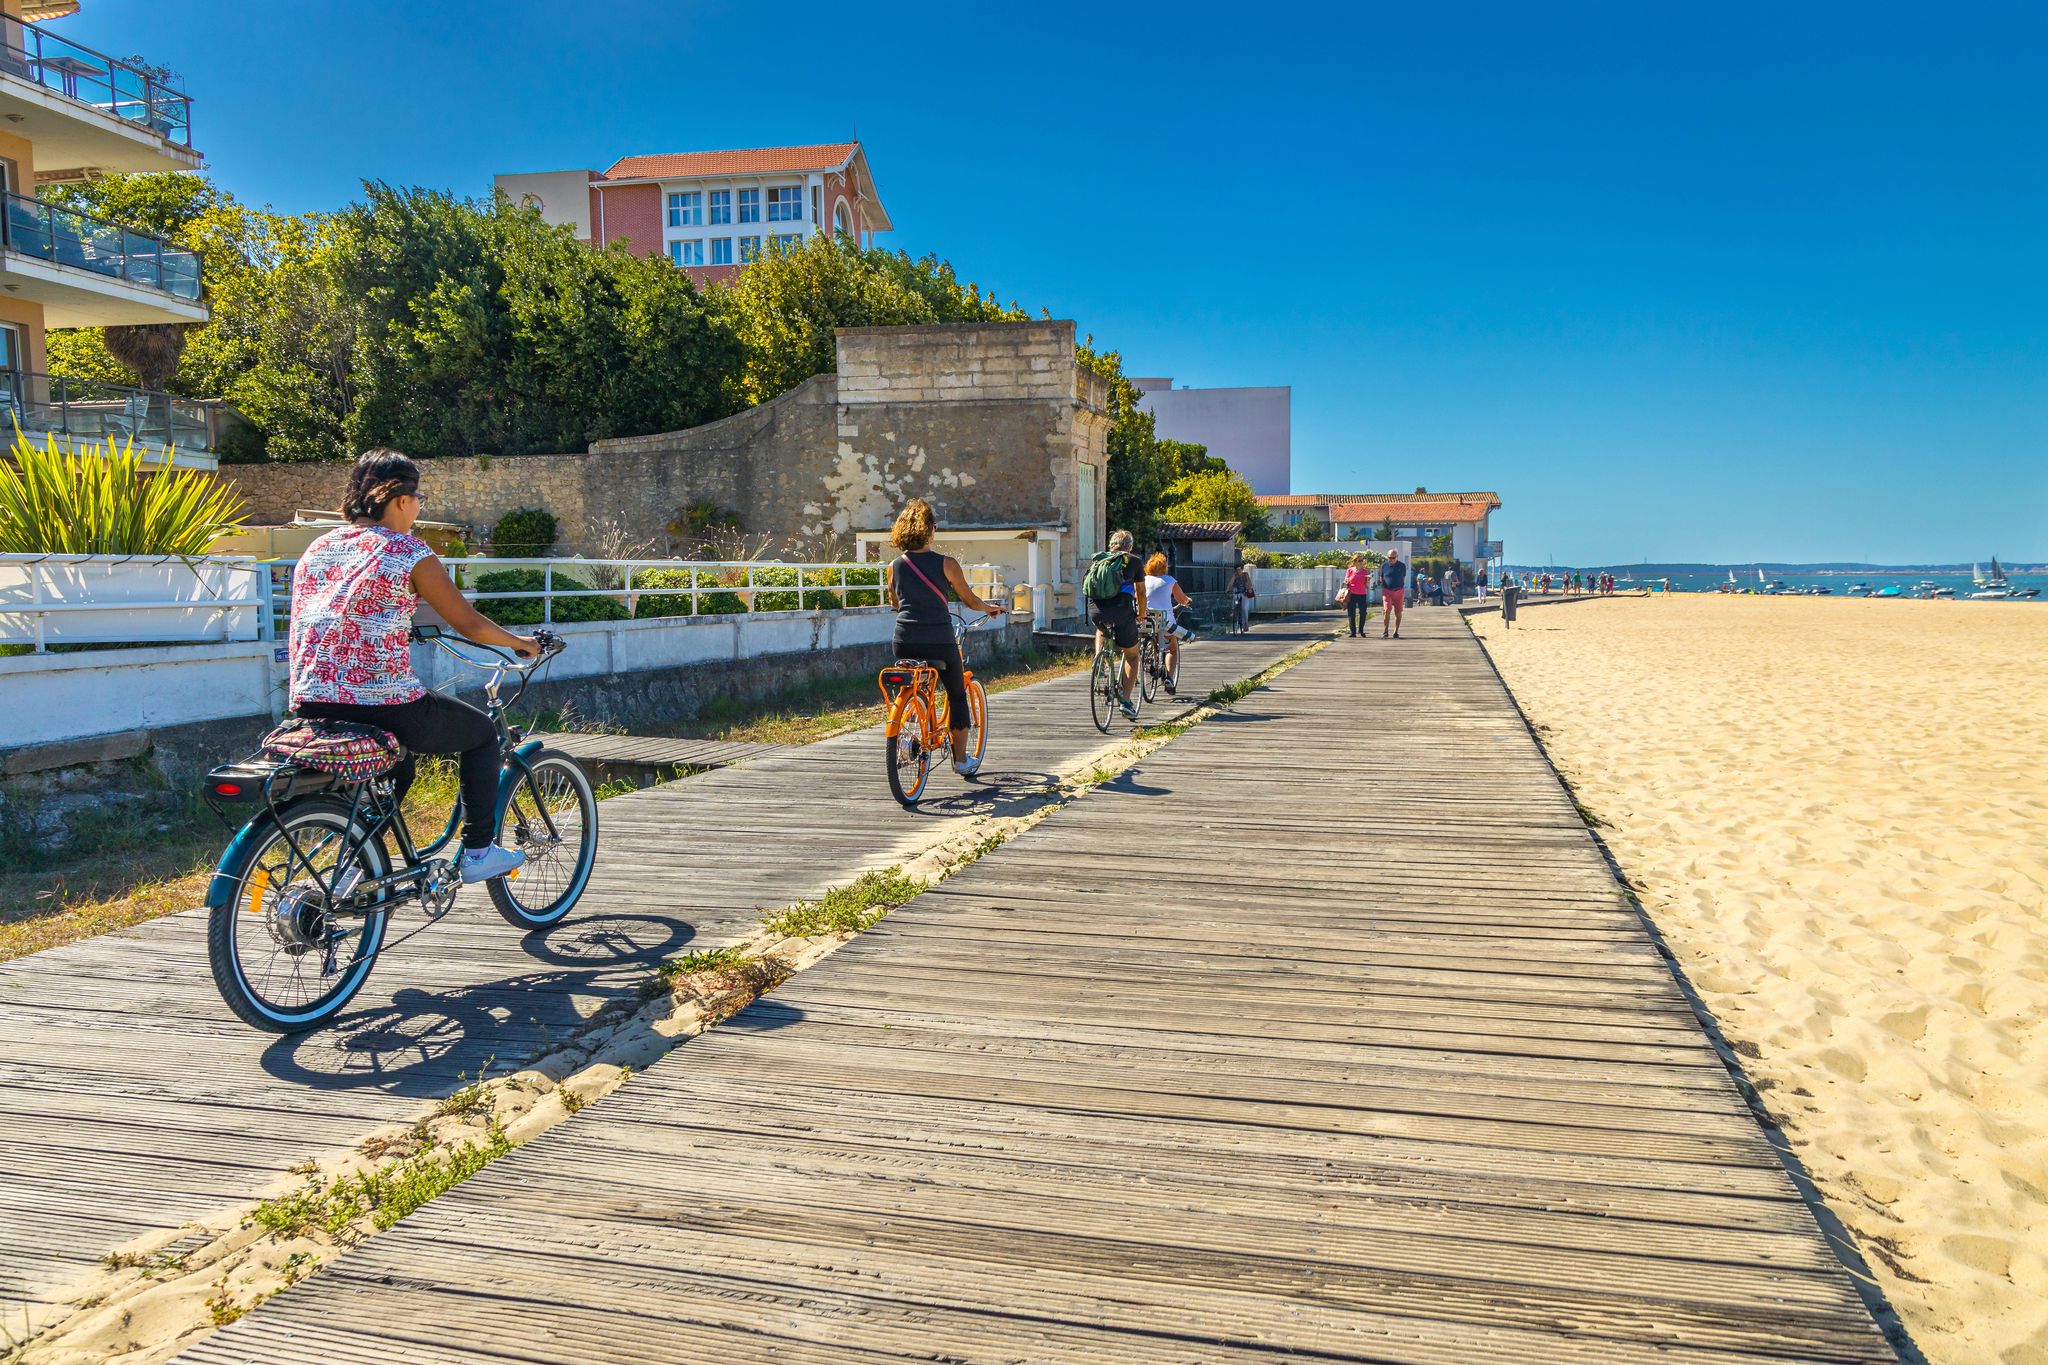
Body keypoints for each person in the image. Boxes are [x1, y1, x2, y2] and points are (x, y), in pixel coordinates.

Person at [289, 450, 538, 884]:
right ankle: (478, 851)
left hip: (310, 698)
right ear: (400, 499)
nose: (420, 506)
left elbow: (345, 611)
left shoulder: (319, 547)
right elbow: (467, 622)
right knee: (481, 734)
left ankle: (352, 866)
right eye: (418, 497)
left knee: (398, 765)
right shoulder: (408, 550)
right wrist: (521, 644)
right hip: (381, 702)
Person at [883, 498, 1006, 776]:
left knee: (915, 684)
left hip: (903, 639)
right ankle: (961, 761)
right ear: (930, 531)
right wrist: (991, 608)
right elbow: (971, 601)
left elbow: (896, 603)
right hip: (939, 638)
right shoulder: (947, 564)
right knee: (956, 695)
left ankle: (911, 722)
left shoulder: (894, 566)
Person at [1084, 529, 1147, 720]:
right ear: (1130, 546)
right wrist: (1142, 614)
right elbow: (1141, 593)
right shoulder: (1133, 561)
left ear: (1111, 545)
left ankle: (1099, 657)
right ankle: (1126, 702)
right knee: (1132, 655)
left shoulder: (1099, 560)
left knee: (1101, 628)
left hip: (1095, 611)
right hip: (1122, 612)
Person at [1142, 553, 1193, 691]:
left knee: (1148, 635)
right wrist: (1187, 601)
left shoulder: (1143, 580)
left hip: (1145, 621)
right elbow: (1181, 599)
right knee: (1172, 647)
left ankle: (1149, 658)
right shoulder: (1169, 581)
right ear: (1164, 568)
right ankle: (1169, 678)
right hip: (1164, 622)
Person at [1342, 553, 1374, 637]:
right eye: (1359, 560)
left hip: (1362, 594)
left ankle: (1361, 630)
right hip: (1351, 594)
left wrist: (1368, 580)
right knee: (1351, 613)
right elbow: (1346, 582)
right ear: (1355, 562)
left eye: (1362, 560)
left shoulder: (1365, 571)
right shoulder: (1350, 570)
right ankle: (1353, 632)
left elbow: (1366, 585)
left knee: (1363, 612)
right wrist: (1347, 580)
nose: (1361, 562)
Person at [1380, 547, 1408, 638]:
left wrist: (1399, 586)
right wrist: (1384, 585)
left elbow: (1403, 578)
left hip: (1399, 590)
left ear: (1397, 557)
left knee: (1398, 611)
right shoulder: (1384, 566)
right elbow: (1382, 577)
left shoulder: (1402, 565)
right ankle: (1385, 630)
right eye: (1389, 558)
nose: (1391, 559)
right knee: (1387, 609)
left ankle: (1396, 631)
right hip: (1387, 591)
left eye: (1393, 557)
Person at [1229, 560, 1255, 633]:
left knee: (1244, 608)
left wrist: (1249, 588)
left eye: (1240, 569)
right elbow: (1231, 583)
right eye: (1237, 570)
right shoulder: (1235, 575)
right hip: (1237, 593)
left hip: (1244, 594)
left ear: (1242, 569)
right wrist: (1227, 589)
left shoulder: (1245, 574)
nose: (1239, 571)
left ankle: (1245, 625)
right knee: (1235, 600)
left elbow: (1249, 582)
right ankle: (1233, 611)